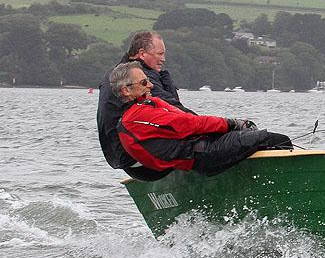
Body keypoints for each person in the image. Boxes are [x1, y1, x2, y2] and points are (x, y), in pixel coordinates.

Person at [111, 62, 292, 177]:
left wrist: (232, 127)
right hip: (204, 155)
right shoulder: (135, 118)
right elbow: (189, 125)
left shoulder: (150, 104)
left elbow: (186, 118)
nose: (150, 85)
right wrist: (232, 123)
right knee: (278, 139)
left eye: (148, 80)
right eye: (144, 83)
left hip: (204, 148)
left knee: (248, 135)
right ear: (126, 90)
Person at [97, 31, 194, 179]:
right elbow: (173, 108)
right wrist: (222, 129)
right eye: (160, 54)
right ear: (142, 54)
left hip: (123, 158)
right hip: (137, 159)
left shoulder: (119, 72)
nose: (163, 59)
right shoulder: (138, 77)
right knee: (205, 144)